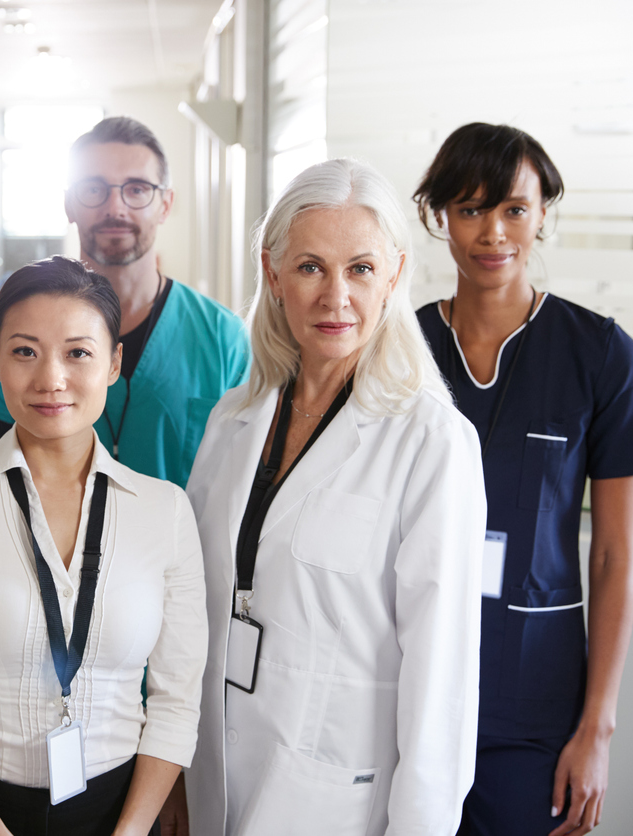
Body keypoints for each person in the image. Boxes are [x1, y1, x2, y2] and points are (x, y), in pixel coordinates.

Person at [185, 159, 486, 836]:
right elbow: (199, 609)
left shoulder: (431, 443)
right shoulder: (235, 418)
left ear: (395, 278)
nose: (335, 297)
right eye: (311, 267)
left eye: (360, 269)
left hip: (333, 795)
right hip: (217, 776)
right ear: (273, 275)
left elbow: (442, 682)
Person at [0, 256, 208, 836]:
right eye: (25, 351)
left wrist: (132, 830)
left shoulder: (164, 511)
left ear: (113, 363)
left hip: (117, 812)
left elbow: (176, 699)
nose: (50, 378)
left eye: (78, 353)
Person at [413, 123, 633, 836]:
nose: (493, 233)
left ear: (543, 212)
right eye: (469, 209)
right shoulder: (400, 350)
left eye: (514, 209)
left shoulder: (602, 355)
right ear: (439, 218)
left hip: (532, 700)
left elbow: (613, 557)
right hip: (412, 683)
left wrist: (598, 732)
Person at [0, 116, 249, 489]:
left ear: (166, 204)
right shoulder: (14, 341)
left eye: (137, 190)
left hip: (182, 546)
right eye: (93, 189)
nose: (115, 207)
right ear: (69, 204)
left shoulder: (224, 341)